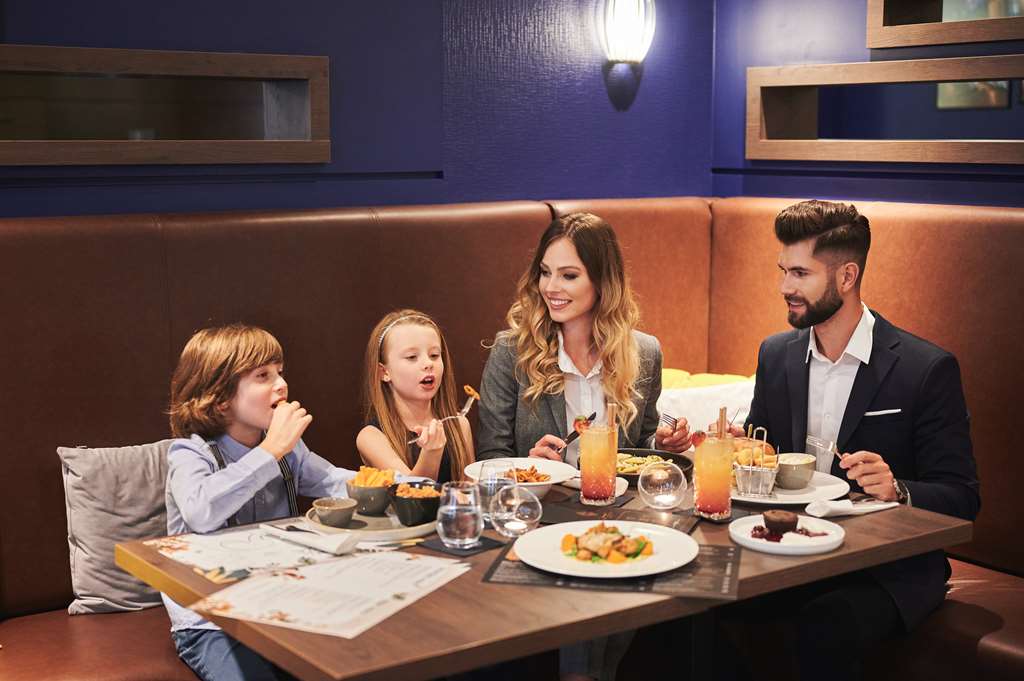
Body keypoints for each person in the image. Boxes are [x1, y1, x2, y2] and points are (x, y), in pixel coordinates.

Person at [714, 200, 980, 681]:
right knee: (700, 602)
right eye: (783, 271)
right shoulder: (776, 355)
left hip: (888, 567)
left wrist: (898, 488)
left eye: (800, 273)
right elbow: (763, 452)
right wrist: (740, 449)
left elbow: (963, 498)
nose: (784, 287)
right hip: (793, 551)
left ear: (847, 276)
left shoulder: (926, 369)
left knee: (828, 623)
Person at [476, 212, 692, 681]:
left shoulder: (644, 352)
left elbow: (641, 445)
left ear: (602, 282)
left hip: (620, 514)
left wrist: (663, 443)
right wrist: (527, 467)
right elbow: (488, 462)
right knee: (593, 587)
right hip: (544, 517)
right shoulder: (512, 352)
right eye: (545, 272)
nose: (551, 287)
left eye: (569, 275)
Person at [164, 323, 369, 681]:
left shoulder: (288, 449)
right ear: (221, 397)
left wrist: (410, 486)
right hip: (213, 621)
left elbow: (335, 481)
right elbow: (200, 512)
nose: (281, 384)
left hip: (277, 606)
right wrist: (270, 451)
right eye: (263, 376)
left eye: (280, 372)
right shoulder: (191, 453)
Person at [356, 309, 475, 482]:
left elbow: (470, 491)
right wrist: (431, 453)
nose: (428, 364)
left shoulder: (460, 426)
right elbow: (411, 494)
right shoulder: (371, 437)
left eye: (434, 355)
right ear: (384, 372)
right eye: (412, 357)